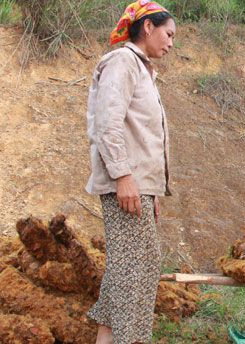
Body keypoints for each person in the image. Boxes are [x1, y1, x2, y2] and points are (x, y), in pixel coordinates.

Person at [85, 1, 175, 343]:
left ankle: (108, 337)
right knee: (135, 270)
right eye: (168, 34)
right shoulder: (123, 62)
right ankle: (131, 338)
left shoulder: (142, 69)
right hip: (125, 183)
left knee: (133, 266)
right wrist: (123, 176)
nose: (171, 43)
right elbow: (108, 124)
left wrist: (151, 190)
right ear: (148, 27)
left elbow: (143, 136)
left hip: (139, 187)